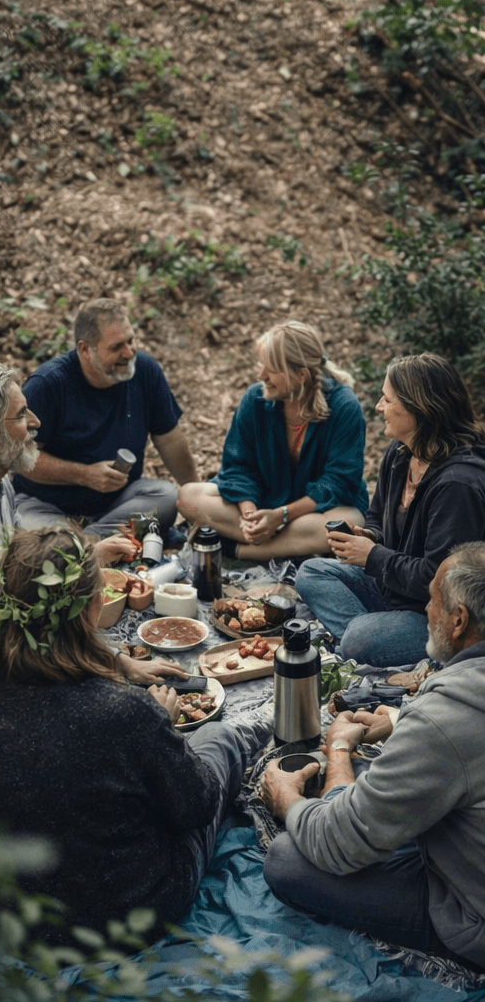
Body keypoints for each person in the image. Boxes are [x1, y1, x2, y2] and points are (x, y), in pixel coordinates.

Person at [0, 527, 271, 945]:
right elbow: (195, 807)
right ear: (91, 608)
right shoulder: (128, 714)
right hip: (129, 914)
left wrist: (116, 662)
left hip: (12, 921)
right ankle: (255, 732)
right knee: (220, 738)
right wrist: (163, 725)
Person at [261, 542, 485, 970]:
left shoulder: (445, 718)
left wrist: (296, 789)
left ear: (458, 621)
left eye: (433, 598)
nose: (425, 607)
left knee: (288, 858)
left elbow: (334, 845)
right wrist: (401, 720)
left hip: (474, 916)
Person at [0, 363, 186, 684]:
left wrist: (90, 554)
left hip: (15, 624)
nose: (36, 422)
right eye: (20, 416)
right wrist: (111, 659)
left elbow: (22, 567)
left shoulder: (1, 483)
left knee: (167, 495)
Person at [296, 353, 485, 668]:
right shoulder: (399, 455)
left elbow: (437, 581)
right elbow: (376, 516)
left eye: (387, 400)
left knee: (358, 638)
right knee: (311, 572)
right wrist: (368, 535)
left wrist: (372, 555)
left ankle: (374, 641)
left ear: (418, 408)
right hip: (394, 588)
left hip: (439, 613)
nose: (378, 408)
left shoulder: (457, 486)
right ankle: (379, 636)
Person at [177, 321, 368, 560]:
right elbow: (238, 467)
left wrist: (282, 515)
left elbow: (339, 482)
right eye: (262, 365)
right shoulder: (255, 399)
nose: (261, 375)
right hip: (265, 502)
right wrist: (250, 515)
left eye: (272, 369)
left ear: (301, 375)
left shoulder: (344, 406)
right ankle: (278, 544)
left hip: (313, 511)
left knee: (347, 524)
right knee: (189, 497)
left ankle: (239, 550)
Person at [11, 298, 200, 538]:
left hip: (116, 504)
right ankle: (84, 544)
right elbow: (20, 457)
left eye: (131, 341)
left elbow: (170, 440)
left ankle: (86, 542)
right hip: (44, 504)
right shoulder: (48, 384)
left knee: (167, 497)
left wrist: (196, 495)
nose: (129, 353)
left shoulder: (145, 371)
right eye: (116, 347)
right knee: (48, 538)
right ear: (85, 350)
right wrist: (85, 474)